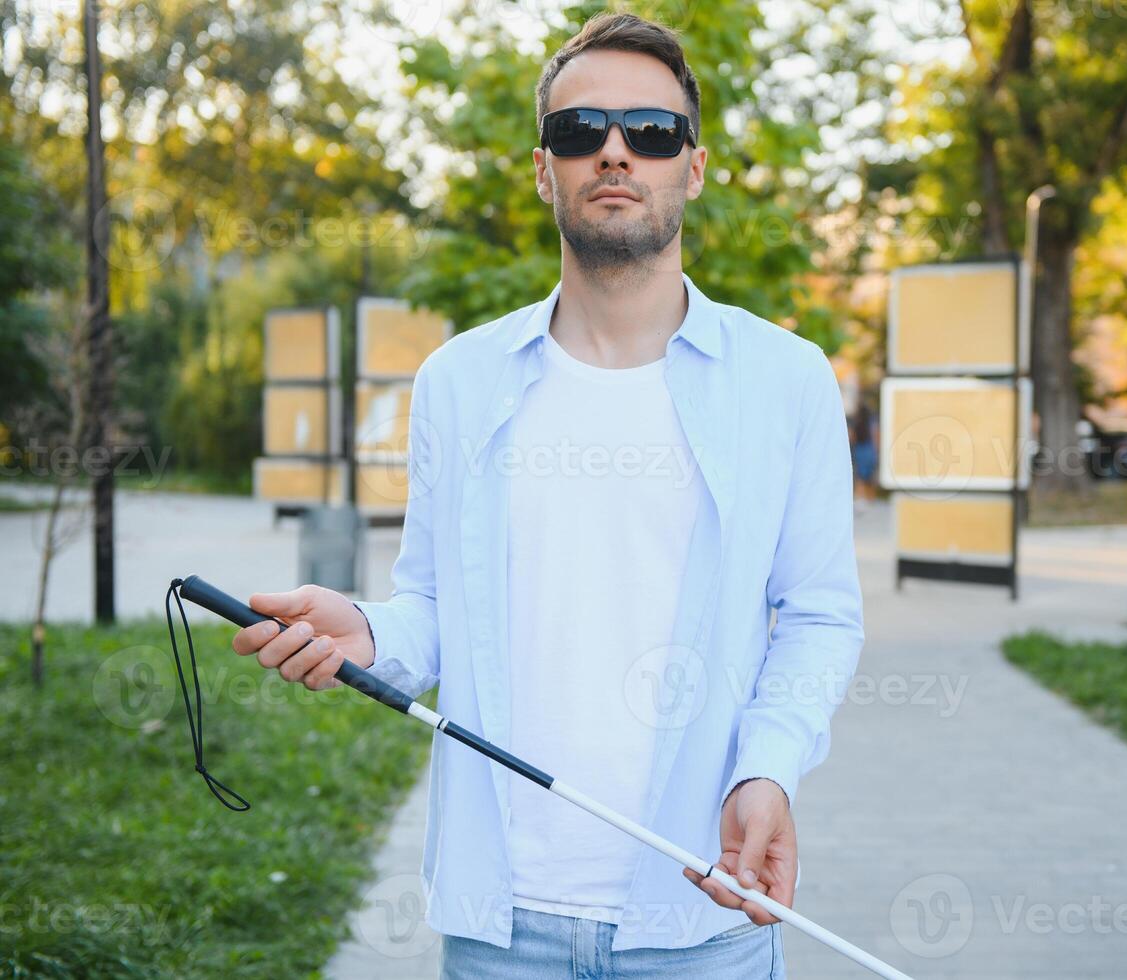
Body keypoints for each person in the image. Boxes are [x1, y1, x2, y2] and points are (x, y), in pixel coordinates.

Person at [228, 11, 863, 979]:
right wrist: (368, 631)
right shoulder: (460, 378)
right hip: (502, 922)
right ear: (543, 168)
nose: (615, 152)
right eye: (581, 131)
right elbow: (435, 608)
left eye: (650, 132)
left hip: (706, 914)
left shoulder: (786, 377)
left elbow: (819, 612)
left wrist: (765, 767)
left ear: (692, 167)